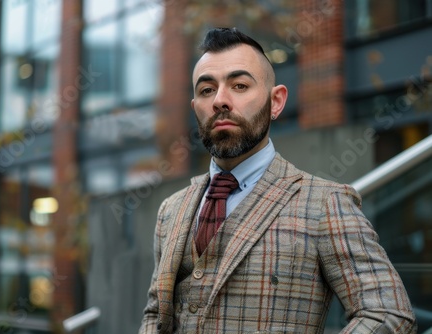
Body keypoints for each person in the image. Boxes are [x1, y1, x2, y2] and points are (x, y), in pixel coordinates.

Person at [139, 27, 416, 333]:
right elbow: (155, 314)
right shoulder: (170, 210)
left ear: (276, 102)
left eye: (240, 85)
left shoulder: (325, 204)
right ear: (196, 109)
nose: (219, 100)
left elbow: (388, 312)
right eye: (206, 90)